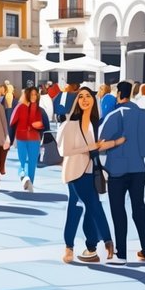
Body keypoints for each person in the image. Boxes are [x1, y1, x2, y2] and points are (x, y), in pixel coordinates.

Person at [59, 86, 117, 264]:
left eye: (88, 96)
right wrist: (90, 147)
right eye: (81, 97)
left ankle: (88, 248)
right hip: (75, 172)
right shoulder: (69, 124)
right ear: (77, 101)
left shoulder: (95, 124)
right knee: (91, 206)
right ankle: (105, 242)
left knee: (78, 208)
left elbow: (98, 147)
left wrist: (113, 143)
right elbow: (64, 151)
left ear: (94, 100)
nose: (85, 99)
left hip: (92, 171)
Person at [100, 81, 145, 264]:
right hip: (138, 167)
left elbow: (101, 139)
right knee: (139, 209)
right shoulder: (144, 115)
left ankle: (121, 253)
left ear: (118, 94)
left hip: (117, 169)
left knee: (118, 210)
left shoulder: (115, 115)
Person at [10, 86, 48, 191]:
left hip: (34, 138)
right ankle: (26, 180)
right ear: (27, 95)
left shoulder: (38, 109)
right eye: (32, 94)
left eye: (36, 94)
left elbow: (45, 125)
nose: (34, 96)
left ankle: (28, 181)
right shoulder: (21, 107)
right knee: (25, 162)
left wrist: (38, 126)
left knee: (31, 163)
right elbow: (12, 122)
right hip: (22, 138)